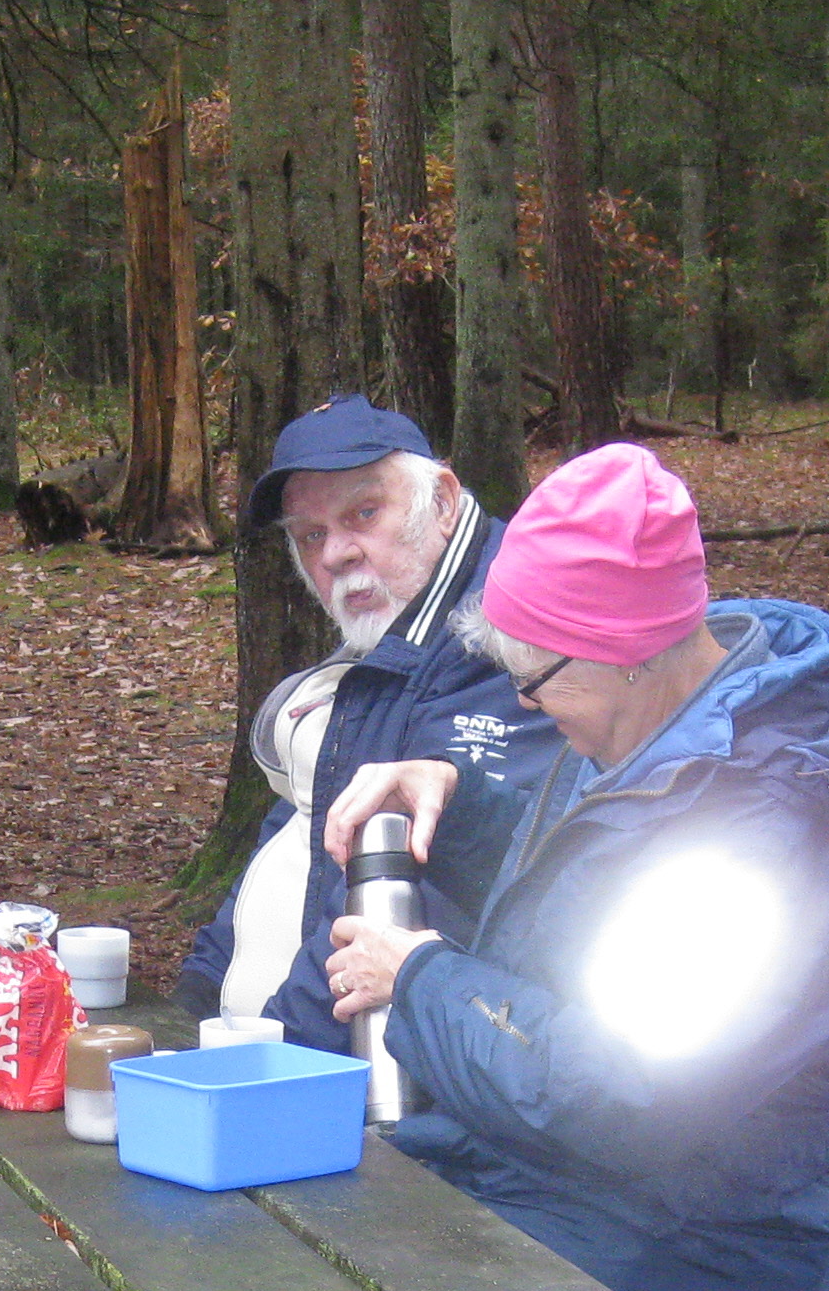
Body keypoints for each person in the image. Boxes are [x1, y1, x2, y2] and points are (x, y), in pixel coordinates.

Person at [318, 442, 829, 1291]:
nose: (525, 702)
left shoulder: (764, 843)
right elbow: (597, 898)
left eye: (537, 678)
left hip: (683, 1250)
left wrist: (420, 979)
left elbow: (627, 1091)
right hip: (552, 1184)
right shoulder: (661, 731)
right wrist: (457, 807)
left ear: (625, 652)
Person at [176, 395, 557, 1044]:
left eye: (364, 513)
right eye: (310, 534)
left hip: (381, 1063)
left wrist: (275, 1055)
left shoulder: (499, 635)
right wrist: (198, 991)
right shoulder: (396, 621)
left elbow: (410, 889)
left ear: (442, 502)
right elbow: (303, 818)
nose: (335, 554)